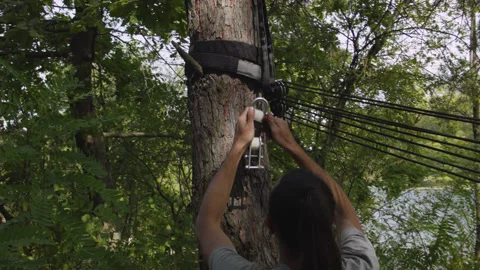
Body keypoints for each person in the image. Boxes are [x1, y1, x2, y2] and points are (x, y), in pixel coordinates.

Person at [195, 107, 379, 270]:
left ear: (269, 224)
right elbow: (345, 213)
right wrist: (293, 147)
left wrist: (239, 144)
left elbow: (207, 224)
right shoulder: (363, 265)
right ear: (330, 219)